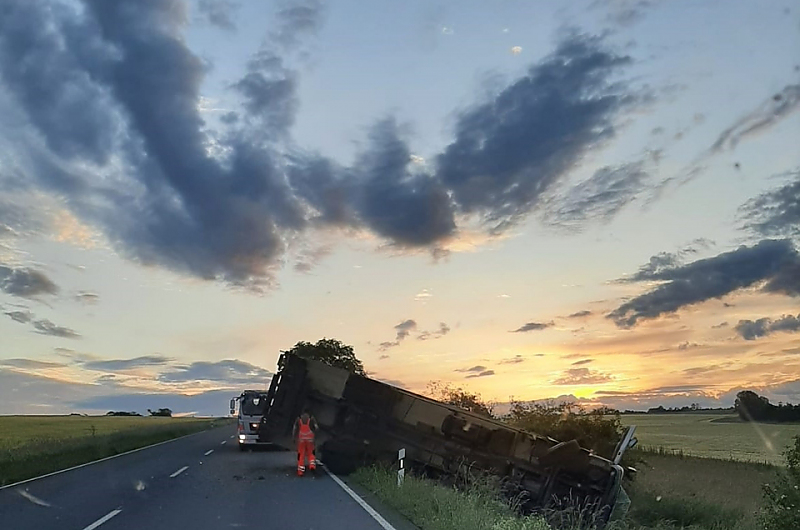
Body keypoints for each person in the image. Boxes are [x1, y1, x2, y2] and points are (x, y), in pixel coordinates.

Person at [293, 409, 318, 476]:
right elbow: (316, 427)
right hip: (310, 439)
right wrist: (315, 434)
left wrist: (294, 437)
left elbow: (295, 428)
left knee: (301, 454)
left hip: (301, 440)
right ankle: (312, 466)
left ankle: (300, 471)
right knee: (311, 453)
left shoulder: (299, 419)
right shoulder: (311, 418)